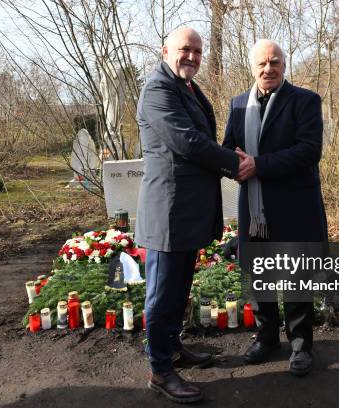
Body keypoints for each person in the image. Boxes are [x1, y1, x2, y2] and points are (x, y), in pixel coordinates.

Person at [136, 27, 244, 403]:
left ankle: (172, 349)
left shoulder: (188, 88)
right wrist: (234, 163)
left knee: (179, 289)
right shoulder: (157, 89)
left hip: (185, 211)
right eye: (186, 50)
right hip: (167, 212)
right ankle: (160, 372)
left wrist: (232, 153)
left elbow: (203, 138)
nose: (193, 57)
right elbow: (187, 141)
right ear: (165, 50)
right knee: (163, 294)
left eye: (198, 52)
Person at [223, 39, 328, 376]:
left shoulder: (305, 101)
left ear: (284, 65)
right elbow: (229, 149)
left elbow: (309, 150)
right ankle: (266, 337)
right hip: (254, 211)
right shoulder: (238, 104)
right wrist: (230, 165)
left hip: (294, 207)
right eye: (262, 63)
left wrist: (259, 166)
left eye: (275, 62)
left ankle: (300, 345)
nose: (269, 68)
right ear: (252, 67)